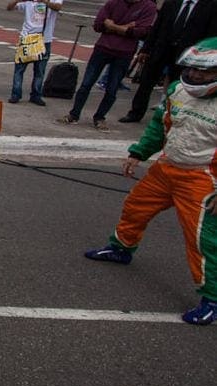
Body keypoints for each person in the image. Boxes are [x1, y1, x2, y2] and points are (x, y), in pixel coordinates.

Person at [83, 37, 217, 326]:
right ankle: (121, 248)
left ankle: (212, 299)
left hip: (202, 178)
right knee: (135, 207)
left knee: (202, 240)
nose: (195, 75)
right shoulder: (177, 90)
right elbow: (159, 126)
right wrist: (138, 153)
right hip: (166, 166)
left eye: (203, 72)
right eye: (192, 69)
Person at [54, 0, 155, 132]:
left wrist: (113, 26)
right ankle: (74, 114)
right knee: (86, 84)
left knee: (112, 89)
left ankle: (100, 117)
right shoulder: (113, 2)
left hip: (124, 53)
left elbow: (142, 31)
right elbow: (98, 25)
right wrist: (126, 27)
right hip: (103, 48)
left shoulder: (148, 7)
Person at [118, 0, 217, 123]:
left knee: (178, 86)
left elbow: (211, 32)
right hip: (161, 50)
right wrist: (146, 49)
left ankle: (170, 115)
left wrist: (202, 56)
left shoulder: (210, 5)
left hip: (185, 55)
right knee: (146, 82)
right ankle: (135, 113)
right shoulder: (172, 3)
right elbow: (157, 26)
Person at [7, 0, 63, 106]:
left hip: (44, 40)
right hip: (26, 38)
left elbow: (58, 7)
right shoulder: (29, 2)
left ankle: (36, 95)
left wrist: (45, 2)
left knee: (39, 70)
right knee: (19, 69)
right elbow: (9, 7)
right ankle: (16, 94)